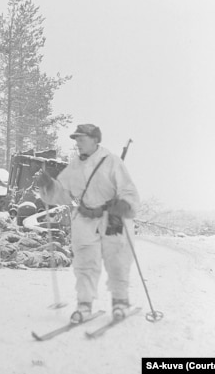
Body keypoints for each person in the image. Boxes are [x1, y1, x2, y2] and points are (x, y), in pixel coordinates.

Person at [35, 124, 140, 323]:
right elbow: (62, 192)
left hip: (112, 217)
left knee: (117, 261)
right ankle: (84, 305)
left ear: (94, 140)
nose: (77, 144)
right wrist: (48, 185)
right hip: (84, 218)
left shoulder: (112, 162)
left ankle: (120, 302)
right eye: (76, 140)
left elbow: (128, 190)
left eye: (81, 139)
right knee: (84, 263)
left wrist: (124, 205)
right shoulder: (75, 166)